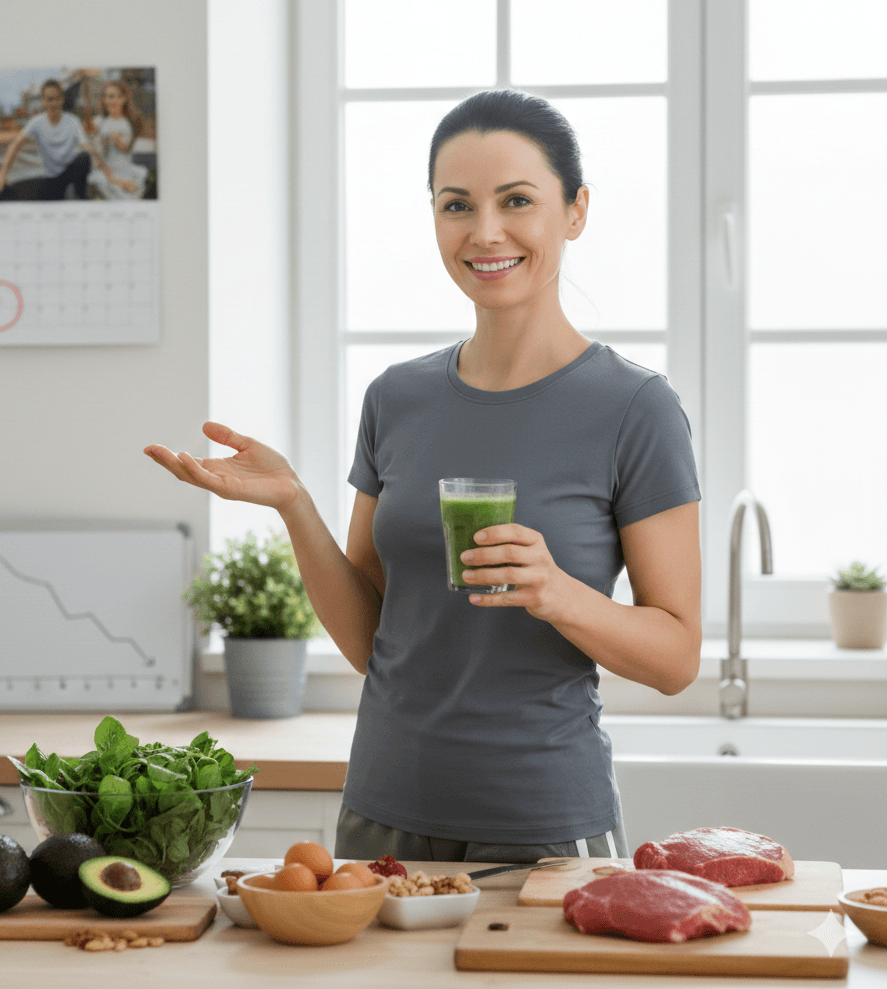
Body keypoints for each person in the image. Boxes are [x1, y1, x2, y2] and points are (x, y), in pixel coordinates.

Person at [145, 89, 702, 864]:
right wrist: (294, 506)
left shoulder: (635, 408)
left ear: (574, 211)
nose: (485, 232)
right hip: (382, 816)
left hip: (544, 822)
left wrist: (558, 594)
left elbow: (677, 659)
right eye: (456, 205)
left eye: (517, 201)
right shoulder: (397, 399)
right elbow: (375, 641)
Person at [0, 79, 91, 200]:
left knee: (84, 158)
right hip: (51, 179)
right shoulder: (36, 122)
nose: (54, 103)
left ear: (62, 100)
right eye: (49, 99)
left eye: (57, 99)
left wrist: (94, 153)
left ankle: (80, 196)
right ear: (43, 101)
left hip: (70, 174)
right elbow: (15, 144)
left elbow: (85, 146)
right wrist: (3, 173)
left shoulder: (73, 121)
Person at [86, 80, 148, 200]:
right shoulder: (99, 122)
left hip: (125, 170)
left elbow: (125, 148)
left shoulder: (128, 123)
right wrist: (92, 135)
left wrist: (115, 138)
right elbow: (92, 144)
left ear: (124, 99)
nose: (110, 101)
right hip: (104, 172)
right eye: (107, 96)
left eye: (114, 97)